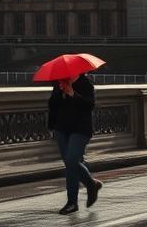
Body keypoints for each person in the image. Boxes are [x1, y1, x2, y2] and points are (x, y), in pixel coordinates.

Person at [47, 72, 101, 215]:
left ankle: (73, 201)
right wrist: (61, 94)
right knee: (70, 165)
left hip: (80, 129)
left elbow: (89, 105)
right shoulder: (59, 83)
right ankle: (90, 186)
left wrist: (72, 94)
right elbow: (52, 105)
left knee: (71, 161)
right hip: (62, 129)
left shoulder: (86, 84)